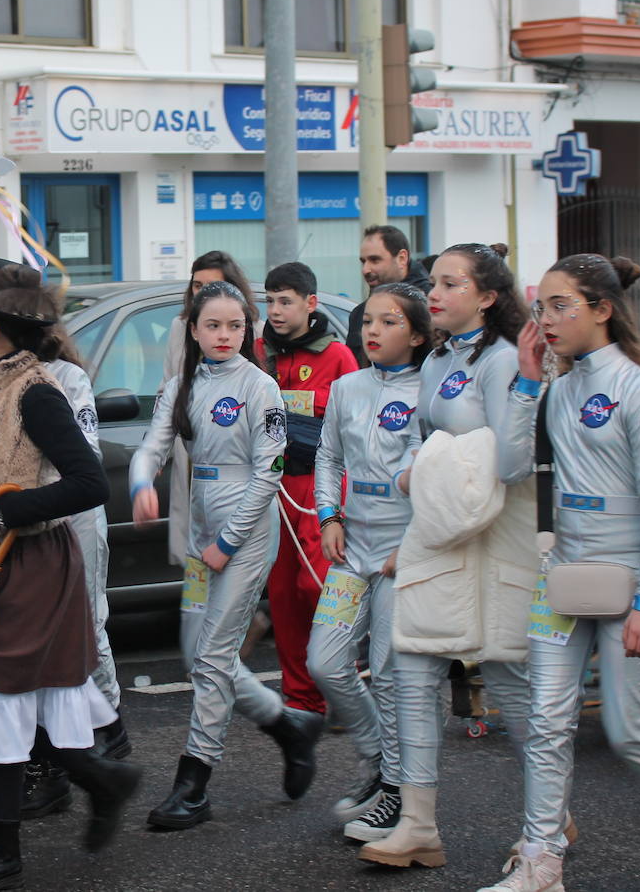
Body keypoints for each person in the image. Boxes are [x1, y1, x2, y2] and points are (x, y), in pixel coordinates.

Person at [478, 253, 640, 892]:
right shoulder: (556, 385)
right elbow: (507, 469)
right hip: (563, 574)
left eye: (563, 306)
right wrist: (528, 378)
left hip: (631, 580)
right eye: (542, 307)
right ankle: (541, 861)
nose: (548, 319)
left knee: (631, 728)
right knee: (544, 720)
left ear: (603, 310)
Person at [0, 272, 139, 892]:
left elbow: (90, 483)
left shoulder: (36, 393)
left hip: (33, 564)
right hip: (2, 563)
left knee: (1, 698)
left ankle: (0, 848)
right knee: (21, 701)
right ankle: (104, 781)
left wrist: (10, 509)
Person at [359, 243, 539, 869]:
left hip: (494, 537)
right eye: (432, 282)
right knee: (412, 671)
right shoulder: (437, 358)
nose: (432, 293)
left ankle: (549, 819)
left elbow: (506, 460)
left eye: (450, 284)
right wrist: (418, 472)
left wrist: (424, 469)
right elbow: (422, 441)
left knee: (511, 684)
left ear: (488, 297)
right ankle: (418, 826)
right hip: (437, 530)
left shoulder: (505, 360)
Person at [132, 281, 323, 831]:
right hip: (203, 530)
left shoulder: (260, 387)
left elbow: (270, 471)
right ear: (193, 330)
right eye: (212, 325)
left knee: (214, 656)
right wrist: (144, 481)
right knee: (196, 654)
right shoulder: (179, 385)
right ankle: (286, 727)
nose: (223, 335)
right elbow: (152, 446)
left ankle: (193, 784)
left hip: (245, 532)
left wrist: (228, 543)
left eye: (234, 326)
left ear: (249, 330)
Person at [308, 282, 432, 840]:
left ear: (419, 334)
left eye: (389, 322)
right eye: (368, 323)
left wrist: (416, 545)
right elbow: (328, 455)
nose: (373, 331)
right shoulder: (347, 387)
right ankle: (380, 762)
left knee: (387, 676)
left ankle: (398, 792)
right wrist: (329, 516)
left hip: (403, 557)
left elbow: (441, 476)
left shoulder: (432, 391)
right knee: (325, 663)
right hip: (351, 550)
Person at [254, 261, 358, 721]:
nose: (275, 310)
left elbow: (353, 432)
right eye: (270, 300)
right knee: (283, 597)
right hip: (272, 487)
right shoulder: (257, 352)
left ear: (310, 304)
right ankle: (302, 702)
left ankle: (339, 681)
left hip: (320, 485)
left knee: (315, 586)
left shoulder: (338, 357)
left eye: (285, 301)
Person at [161, 250, 257, 566]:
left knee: (237, 545)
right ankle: (199, 606)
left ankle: (244, 611)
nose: (202, 293)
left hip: (236, 449)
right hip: (193, 445)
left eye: (211, 285)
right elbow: (169, 386)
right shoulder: (181, 326)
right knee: (196, 544)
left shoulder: (249, 327)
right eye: (196, 285)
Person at [347, 225, 432, 366]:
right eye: (363, 262)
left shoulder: (432, 306)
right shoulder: (359, 314)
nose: (366, 269)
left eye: (375, 260)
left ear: (402, 258)